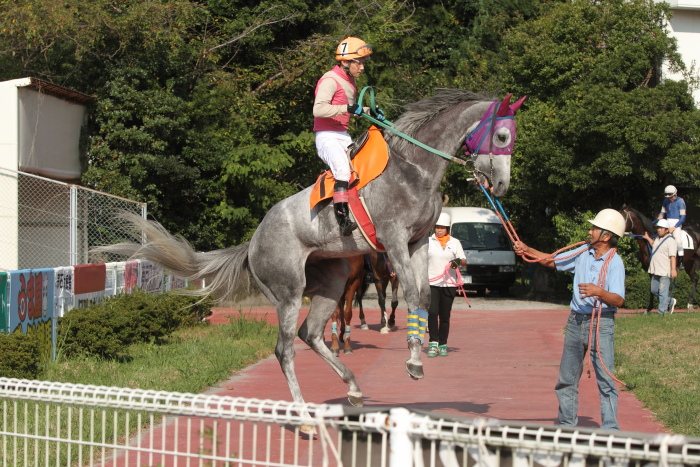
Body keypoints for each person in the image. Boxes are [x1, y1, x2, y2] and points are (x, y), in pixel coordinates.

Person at [513, 209, 626, 430]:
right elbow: (551, 261)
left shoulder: (615, 262)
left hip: (600, 323)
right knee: (566, 378)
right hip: (575, 321)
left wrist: (598, 291)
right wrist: (527, 249)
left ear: (606, 236)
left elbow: (619, 300)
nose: (589, 230)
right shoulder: (583, 252)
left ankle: (611, 430)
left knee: (605, 379)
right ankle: (567, 427)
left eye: (594, 228)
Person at [313, 37, 384, 236]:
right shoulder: (329, 79)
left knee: (364, 169)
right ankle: (342, 220)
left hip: (343, 135)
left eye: (363, 63)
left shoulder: (350, 82)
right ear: (345, 62)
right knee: (343, 172)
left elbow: (351, 110)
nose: (362, 67)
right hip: (327, 136)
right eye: (358, 62)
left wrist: (370, 111)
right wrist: (348, 107)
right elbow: (318, 109)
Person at [427, 212, 466, 357]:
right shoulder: (428, 241)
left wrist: (457, 261)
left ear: (447, 229)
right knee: (432, 313)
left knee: (444, 316)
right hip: (432, 282)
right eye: (437, 227)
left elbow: (464, 259)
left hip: (449, 284)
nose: (439, 230)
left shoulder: (454, 242)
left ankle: (443, 344)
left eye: (442, 227)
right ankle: (433, 343)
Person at [643, 219, 678, 314]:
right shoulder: (658, 238)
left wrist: (673, 270)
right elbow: (654, 245)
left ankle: (662, 312)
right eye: (658, 227)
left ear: (666, 230)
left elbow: (672, 256)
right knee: (654, 290)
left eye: (661, 228)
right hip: (655, 270)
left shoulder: (671, 241)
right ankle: (670, 301)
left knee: (663, 292)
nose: (659, 229)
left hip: (664, 271)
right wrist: (647, 238)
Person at [657, 185, 686, 266]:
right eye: (668, 197)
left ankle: (681, 261)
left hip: (677, 223)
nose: (670, 199)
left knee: (678, 241)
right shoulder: (665, 201)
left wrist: (674, 227)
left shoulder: (680, 201)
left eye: (671, 197)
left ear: (675, 194)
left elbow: (683, 217)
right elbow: (662, 212)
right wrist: (660, 215)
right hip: (667, 222)